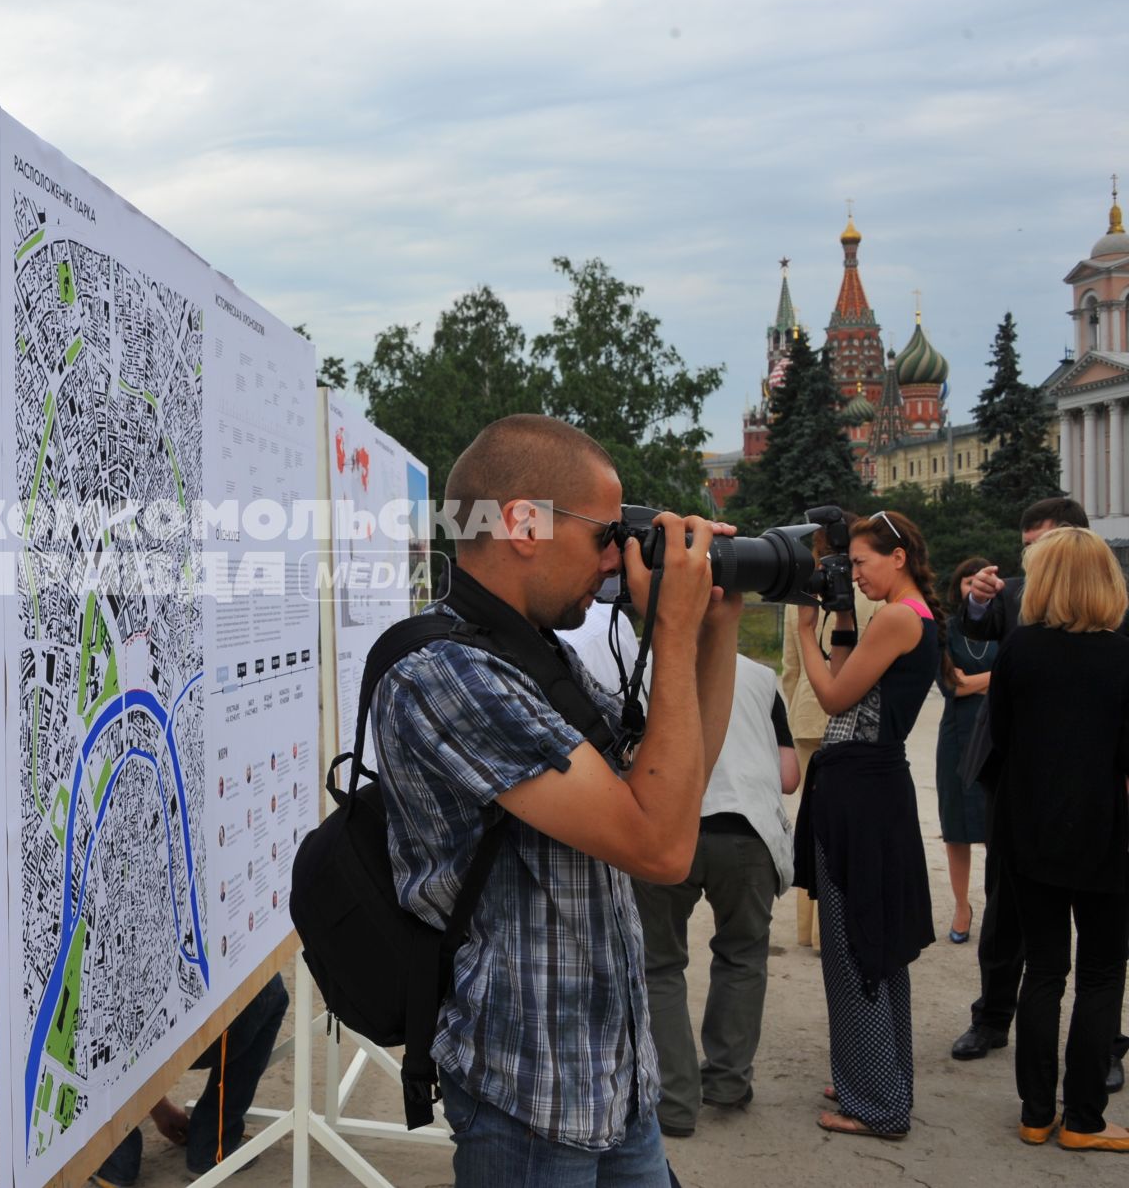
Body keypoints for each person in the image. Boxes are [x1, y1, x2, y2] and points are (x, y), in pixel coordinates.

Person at [372, 415, 741, 1186]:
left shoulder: (541, 655)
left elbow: (675, 792)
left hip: (616, 1075)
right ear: (523, 524)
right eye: (606, 533)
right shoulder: (447, 675)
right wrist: (666, 632)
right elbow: (664, 850)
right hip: (531, 1093)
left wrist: (713, 628)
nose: (614, 560)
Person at [950, 497, 1126, 1094]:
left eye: (1039, 544)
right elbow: (975, 629)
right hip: (1042, 793)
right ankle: (997, 1020)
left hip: (1069, 798)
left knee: (1073, 960)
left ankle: (1084, 1064)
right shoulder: (1015, 601)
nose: (1028, 555)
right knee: (1020, 919)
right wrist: (974, 599)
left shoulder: (1092, 616)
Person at [792, 509, 939, 1140]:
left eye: (861, 563)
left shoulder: (901, 618)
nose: (853, 573)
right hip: (872, 788)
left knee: (856, 947)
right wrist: (845, 616)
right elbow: (858, 679)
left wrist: (804, 630)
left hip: (861, 790)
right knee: (869, 942)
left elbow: (832, 697)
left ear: (898, 556)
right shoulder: (917, 615)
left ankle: (877, 1103)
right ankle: (875, 1077)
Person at [633, 653, 800, 1139]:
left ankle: (675, 1102)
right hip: (747, 832)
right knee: (743, 956)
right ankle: (728, 1083)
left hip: (670, 827)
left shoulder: (646, 669)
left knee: (659, 964)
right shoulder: (761, 676)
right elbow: (789, 775)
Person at [780, 524, 882, 951]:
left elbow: (790, 667)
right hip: (853, 711)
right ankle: (833, 928)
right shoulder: (870, 591)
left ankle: (808, 927)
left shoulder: (801, 591)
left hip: (807, 710)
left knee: (813, 820)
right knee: (849, 823)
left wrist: (799, 704)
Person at [88, 975, 289, 1185]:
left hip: (121, 1040)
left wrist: (156, 1105)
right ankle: (214, 1140)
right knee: (269, 986)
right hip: (187, 1026)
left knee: (87, 1004)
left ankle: (116, 1157)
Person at [935, 556, 997, 943]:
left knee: (999, 828)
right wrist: (998, 676)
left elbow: (1018, 675)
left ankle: (999, 906)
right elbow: (950, 687)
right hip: (957, 738)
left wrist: (975, 680)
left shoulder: (1007, 628)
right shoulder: (947, 631)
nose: (974, 586)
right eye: (966, 580)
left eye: (981, 580)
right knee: (957, 830)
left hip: (1000, 735)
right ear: (958, 587)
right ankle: (962, 906)